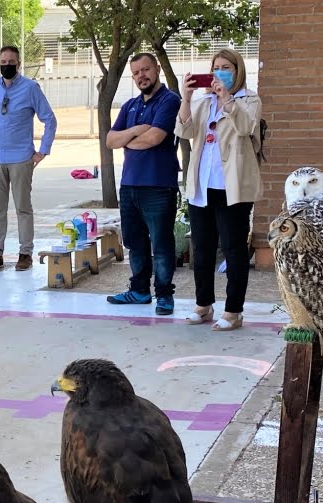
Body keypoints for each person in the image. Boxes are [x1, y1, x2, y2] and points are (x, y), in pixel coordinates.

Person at [176, 49, 262, 331]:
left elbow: (246, 127)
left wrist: (227, 98)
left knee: (233, 249)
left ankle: (234, 310)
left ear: (237, 71)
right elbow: (184, 131)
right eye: (216, 68)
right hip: (202, 186)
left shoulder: (249, 99)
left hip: (232, 187)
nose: (220, 72)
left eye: (226, 67)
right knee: (201, 249)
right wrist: (186, 98)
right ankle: (203, 305)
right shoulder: (202, 102)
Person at [104, 53, 181, 316]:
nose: (141, 76)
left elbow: (156, 138)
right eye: (136, 72)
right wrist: (137, 131)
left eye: (145, 70)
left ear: (157, 69)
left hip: (159, 186)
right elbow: (111, 141)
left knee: (161, 244)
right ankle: (138, 290)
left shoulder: (170, 101)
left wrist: (128, 138)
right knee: (135, 243)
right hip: (130, 186)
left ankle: (163, 295)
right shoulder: (130, 105)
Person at [0, 46, 57, 272]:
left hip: (21, 158)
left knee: (23, 208)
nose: (7, 65)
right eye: (3, 61)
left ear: (19, 64)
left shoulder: (31, 88)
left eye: (11, 61)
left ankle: (25, 253)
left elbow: (49, 119)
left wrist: (43, 151)